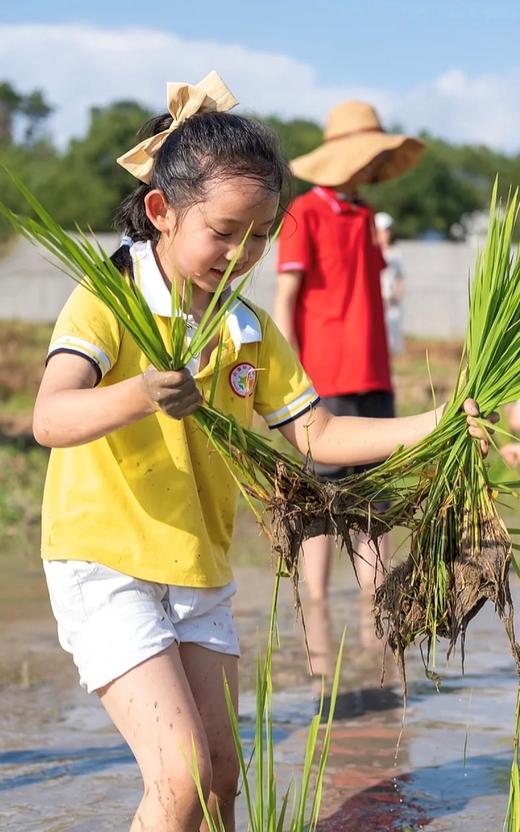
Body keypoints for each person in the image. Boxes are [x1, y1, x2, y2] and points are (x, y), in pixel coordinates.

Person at [34, 73, 490, 832]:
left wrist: (438, 422)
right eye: (223, 231)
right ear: (162, 211)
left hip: (198, 567)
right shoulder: (109, 301)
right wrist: (141, 393)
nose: (242, 252)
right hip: (104, 562)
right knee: (180, 779)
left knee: (221, 780)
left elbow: (319, 435)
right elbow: (50, 417)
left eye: (259, 235)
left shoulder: (247, 329)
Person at [274, 100, 424, 601]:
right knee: (322, 494)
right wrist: (291, 372)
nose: (373, 165)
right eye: (369, 155)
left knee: (376, 495)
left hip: (373, 372)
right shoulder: (305, 213)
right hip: (325, 375)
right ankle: (316, 606)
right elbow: (287, 297)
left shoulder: (364, 216)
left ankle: (372, 607)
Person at [375, 211, 405, 355]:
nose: (387, 234)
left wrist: (395, 296)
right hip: (375, 302)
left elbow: (401, 277)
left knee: (391, 342)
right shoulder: (370, 251)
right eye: (384, 230)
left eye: (388, 230)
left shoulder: (395, 253)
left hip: (391, 303)